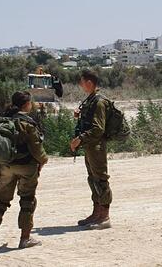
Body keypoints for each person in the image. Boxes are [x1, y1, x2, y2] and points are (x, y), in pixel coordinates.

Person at [0, 91, 48, 249]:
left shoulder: (2, 121)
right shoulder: (28, 123)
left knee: (1, 200)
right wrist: (43, 161)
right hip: (26, 167)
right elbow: (37, 149)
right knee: (27, 200)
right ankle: (25, 239)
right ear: (26, 104)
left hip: (5, 166)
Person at [71, 70, 112, 228]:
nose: (80, 85)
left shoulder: (99, 102)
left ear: (89, 83)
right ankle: (96, 214)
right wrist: (78, 116)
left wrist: (79, 139)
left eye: (81, 82)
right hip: (90, 146)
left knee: (101, 180)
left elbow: (98, 129)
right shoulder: (91, 100)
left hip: (96, 146)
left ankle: (104, 217)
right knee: (92, 179)